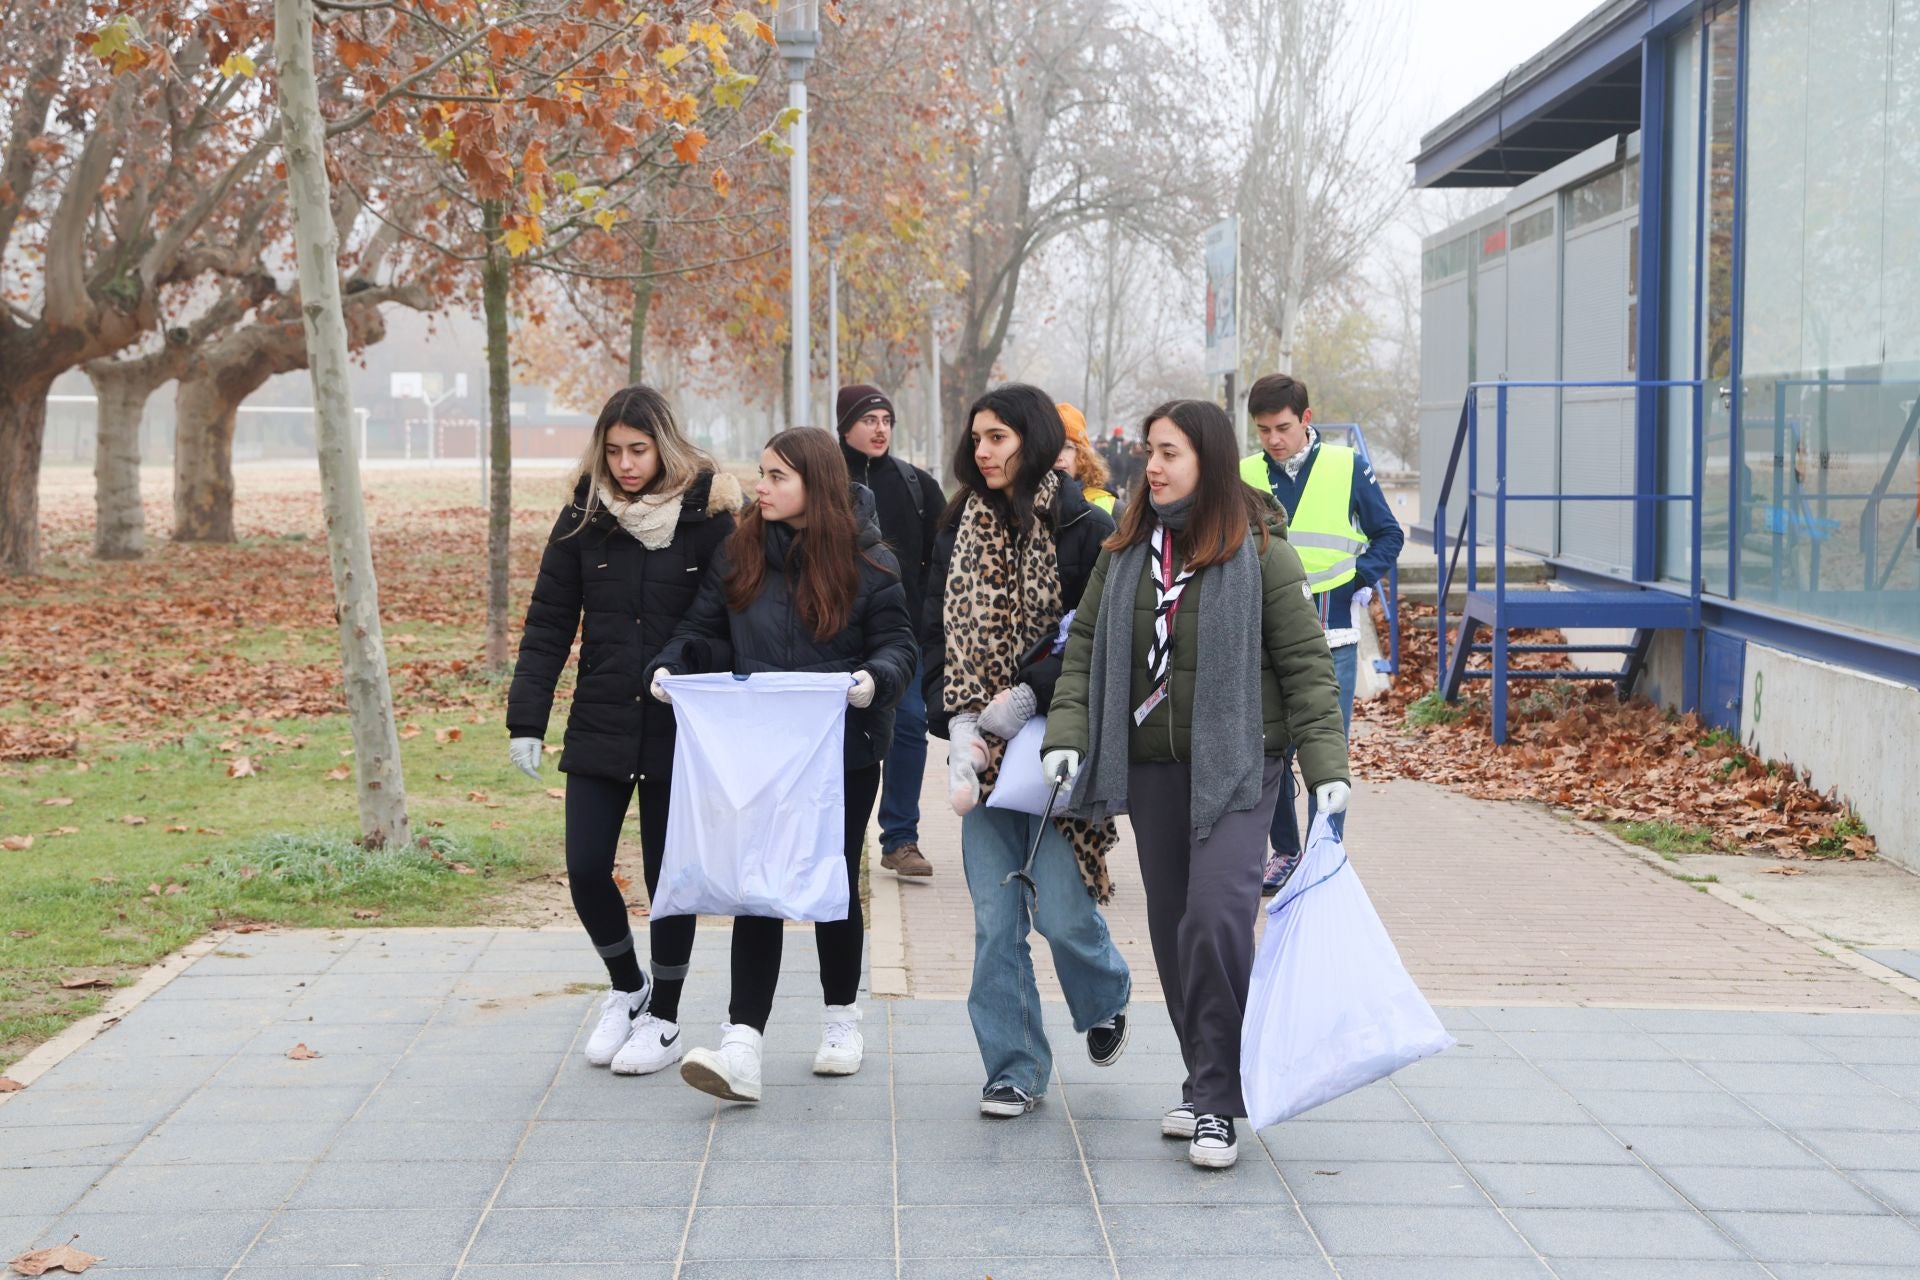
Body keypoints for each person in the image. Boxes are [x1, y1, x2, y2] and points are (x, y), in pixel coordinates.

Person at [1043, 398, 1350, 1169]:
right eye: (1150, 451)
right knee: (1179, 934)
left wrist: (1327, 771)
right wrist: (1069, 736)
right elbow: (1082, 653)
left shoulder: (1261, 551)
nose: (1153, 465)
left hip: (1243, 765)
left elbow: (1308, 667)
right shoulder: (1124, 554)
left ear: (1207, 461)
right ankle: (1207, 1076)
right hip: (1150, 768)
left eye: (1170, 452)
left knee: (1216, 920)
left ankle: (1218, 1103)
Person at [649, 428, 917, 1103]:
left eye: (776, 476)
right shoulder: (741, 552)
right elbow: (702, 631)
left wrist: (871, 680)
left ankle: (841, 1019)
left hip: (841, 748)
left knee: (829, 876)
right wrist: (674, 665)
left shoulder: (870, 560)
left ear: (815, 486)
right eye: (761, 474)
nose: (760, 487)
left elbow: (899, 645)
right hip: (760, 749)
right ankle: (742, 1042)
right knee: (756, 882)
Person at [506, 384, 741, 1076]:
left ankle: (664, 1016)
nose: (626, 464)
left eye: (637, 450)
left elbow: (731, 621)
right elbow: (549, 621)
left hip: (680, 726)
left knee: (673, 879)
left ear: (664, 444)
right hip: (603, 717)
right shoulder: (584, 516)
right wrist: (528, 718)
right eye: (613, 451)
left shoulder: (713, 518)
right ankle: (627, 986)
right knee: (585, 868)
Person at [924, 383, 1133, 1120]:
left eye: (999, 439)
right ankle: (1013, 1068)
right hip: (978, 757)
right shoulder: (957, 526)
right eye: (977, 438)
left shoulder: (1084, 524)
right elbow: (934, 636)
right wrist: (953, 720)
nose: (983, 452)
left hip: (1052, 744)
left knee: (1064, 911)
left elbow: (1096, 637)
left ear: (1035, 440)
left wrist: (1029, 696)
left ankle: (1105, 991)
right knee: (996, 917)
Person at [1239, 373, 1403, 895]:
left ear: (1306, 419)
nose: (1272, 439)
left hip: (1332, 634)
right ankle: (1286, 854)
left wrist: (1358, 579)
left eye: (1282, 427)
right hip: (1262, 639)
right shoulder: (1242, 474)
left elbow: (1388, 534)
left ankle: (1323, 855)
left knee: (1325, 751)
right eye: (1263, 430)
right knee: (1270, 753)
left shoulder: (1345, 464)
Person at [836, 384, 944, 879]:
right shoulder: (821, 480)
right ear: (844, 425)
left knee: (908, 728)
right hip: (831, 632)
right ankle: (831, 838)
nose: (880, 429)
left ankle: (900, 839)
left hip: (902, 634)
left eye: (886, 420)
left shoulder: (917, 484)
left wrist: (934, 623)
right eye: (869, 419)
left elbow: (945, 560)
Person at [1053, 402, 1121, 517]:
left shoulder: (1114, 509)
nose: (1058, 457)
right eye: (1052, 446)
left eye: (1067, 447)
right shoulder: (1024, 503)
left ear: (1082, 454)